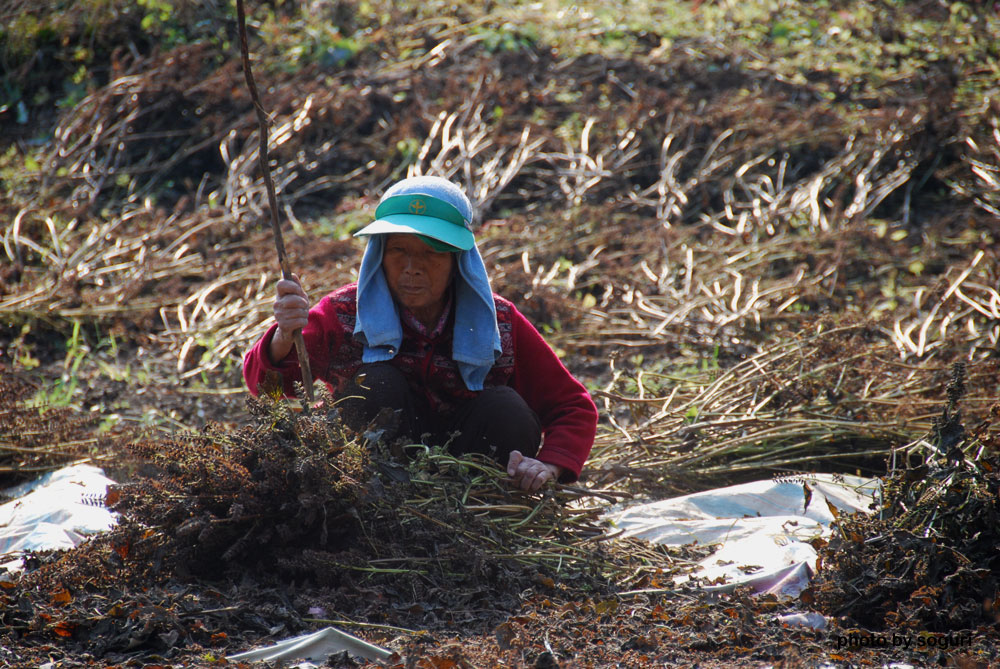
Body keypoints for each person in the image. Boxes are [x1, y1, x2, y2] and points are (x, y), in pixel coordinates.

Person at [243, 175, 597, 492]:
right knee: (376, 384)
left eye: (430, 253)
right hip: (374, 481)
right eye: (398, 250)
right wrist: (284, 337)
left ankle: (473, 506)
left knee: (507, 409)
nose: (411, 269)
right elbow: (267, 392)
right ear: (379, 254)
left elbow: (572, 406)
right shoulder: (345, 313)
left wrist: (548, 465)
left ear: (458, 260)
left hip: (472, 483)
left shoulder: (498, 322)